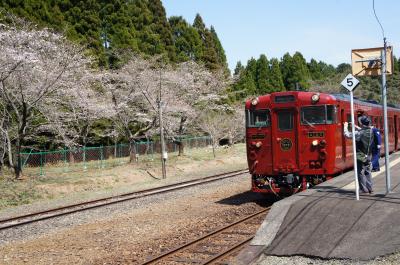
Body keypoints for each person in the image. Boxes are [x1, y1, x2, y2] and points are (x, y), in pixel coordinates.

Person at [343, 115, 375, 194]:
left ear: (362, 123)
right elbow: (363, 130)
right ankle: (370, 188)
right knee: (368, 171)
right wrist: (356, 126)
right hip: (369, 154)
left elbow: (347, 135)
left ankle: (363, 189)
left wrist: (345, 126)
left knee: (360, 172)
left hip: (361, 155)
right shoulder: (371, 131)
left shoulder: (359, 133)